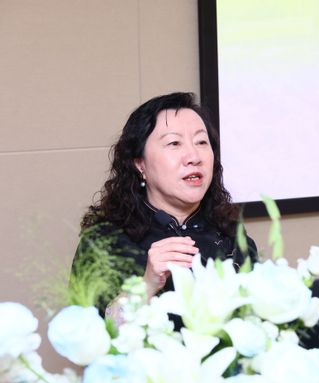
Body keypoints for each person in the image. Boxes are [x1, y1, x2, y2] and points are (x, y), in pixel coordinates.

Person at [71, 92, 257, 326]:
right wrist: (148, 284)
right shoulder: (104, 241)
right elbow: (85, 334)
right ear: (140, 164)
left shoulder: (229, 231)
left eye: (201, 142)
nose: (194, 157)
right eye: (174, 143)